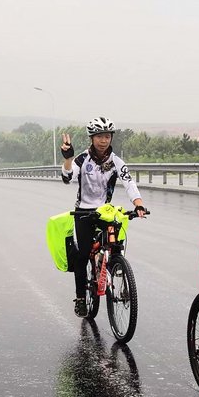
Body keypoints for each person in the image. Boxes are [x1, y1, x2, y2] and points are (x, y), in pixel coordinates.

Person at [60, 116, 147, 317]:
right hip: (83, 212)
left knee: (117, 241)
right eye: (99, 136)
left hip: (105, 212)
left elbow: (129, 183)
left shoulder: (116, 161)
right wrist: (67, 159)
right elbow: (67, 178)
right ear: (92, 138)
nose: (103, 140)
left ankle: (116, 266)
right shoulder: (82, 159)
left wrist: (138, 204)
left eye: (107, 136)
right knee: (82, 256)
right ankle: (81, 298)